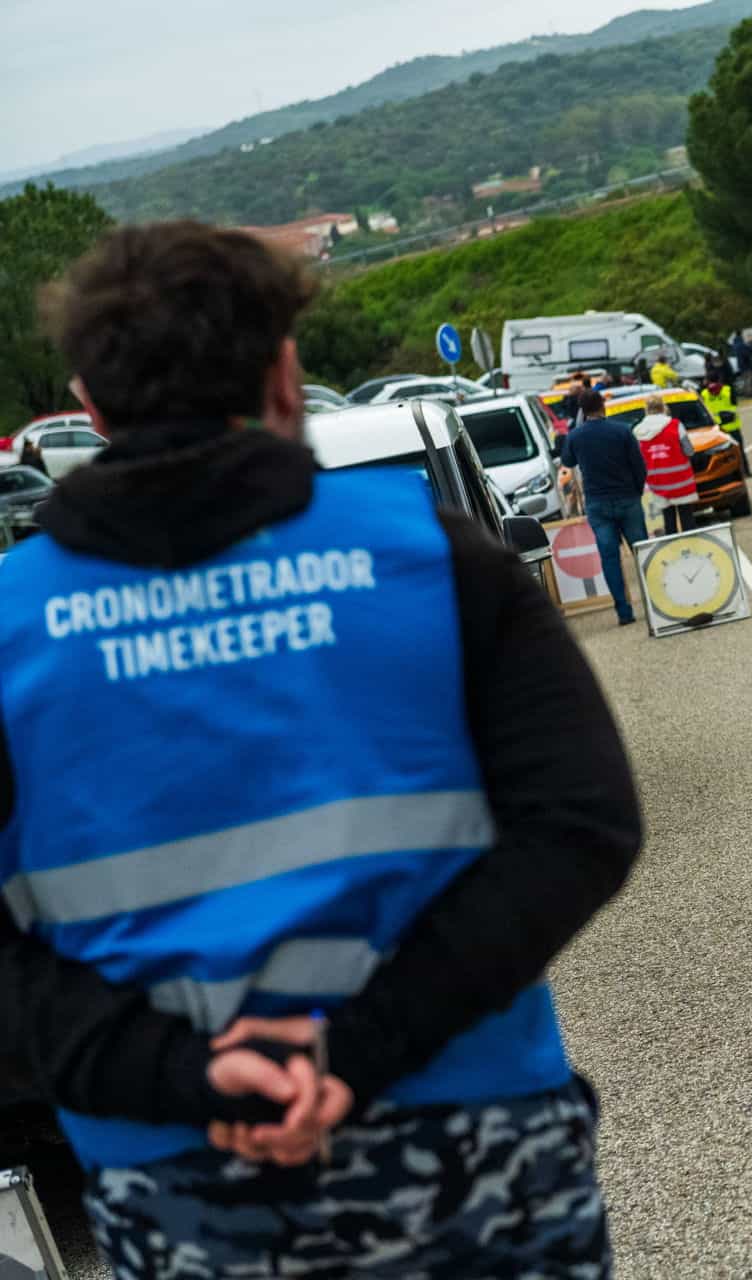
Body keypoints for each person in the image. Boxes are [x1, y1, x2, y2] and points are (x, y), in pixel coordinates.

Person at [1, 220, 642, 1275]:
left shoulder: (9, 625)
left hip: (174, 1177)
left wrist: (188, 1074)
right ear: (285, 371)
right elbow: (581, 824)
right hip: (471, 1133)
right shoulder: (433, 556)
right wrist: (360, 1050)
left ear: (89, 400)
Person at [559, 388, 652, 626]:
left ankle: (624, 611)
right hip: (627, 498)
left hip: (597, 504)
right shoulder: (621, 431)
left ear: (582, 410)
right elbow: (639, 466)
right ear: (603, 406)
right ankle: (655, 603)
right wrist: (636, 490)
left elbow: (567, 461)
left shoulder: (576, 436)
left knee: (610, 558)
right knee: (641, 550)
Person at [632, 393, 699, 534]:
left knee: (669, 522)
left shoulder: (637, 431)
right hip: (681, 481)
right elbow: (689, 451)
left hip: (657, 484)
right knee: (687, 520)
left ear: (646, 409)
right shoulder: (675, 425)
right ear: (663, 407)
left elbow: (637, 460)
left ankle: (673, 550)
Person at [701, 376, 750, 477]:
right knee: (739, 451)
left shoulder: (704, 394)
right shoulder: (727, 390)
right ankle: (746, 472)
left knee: (721, 456)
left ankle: (728, 475)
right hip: (732, 427)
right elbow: (735, 404)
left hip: (718, 430)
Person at [729, 331, 752, 397]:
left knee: (744, 380)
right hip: (746, 364)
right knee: (748, 379)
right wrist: (750, 343)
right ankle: (748, 393)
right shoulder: (742, 344)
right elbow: (748, 353)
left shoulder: (734, 345)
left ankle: (744, 392)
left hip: (739, 365)